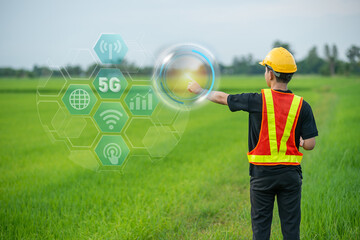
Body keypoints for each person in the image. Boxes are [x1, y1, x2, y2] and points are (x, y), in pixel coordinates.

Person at [187, 47, 318, 240]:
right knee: (291, 230)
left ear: (271, 74)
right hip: (290, 176)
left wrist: (199, 90)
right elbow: (310, 144)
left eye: (266, 70)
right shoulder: (302, 105)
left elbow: (223, 98)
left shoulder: (258, 100)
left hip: (262, 176)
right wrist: (300, 141)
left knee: (261, 229)